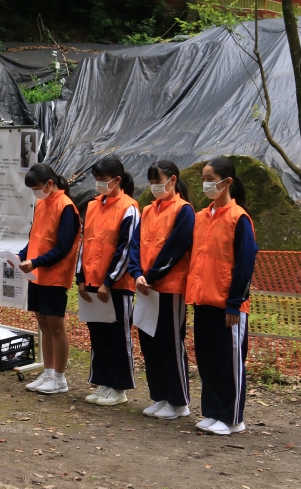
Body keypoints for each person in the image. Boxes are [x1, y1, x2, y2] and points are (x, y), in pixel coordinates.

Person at [188, 157, 258, 436]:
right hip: (203, 299)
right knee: (208, 358)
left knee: (229, 362)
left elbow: (244, 263)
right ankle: (213, 412)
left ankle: (232, 417)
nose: (205, 183)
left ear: (227, 181)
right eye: (203, 178)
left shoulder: (238, 217)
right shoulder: (201, 216)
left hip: (228, 305)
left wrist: (234, 303)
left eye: (210, 178)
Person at [76, 155, 140, 407]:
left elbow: (126, 249)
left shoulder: (129, 208)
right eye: (97, 179)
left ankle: (120, 387)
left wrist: (109, 281)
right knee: (98, 334)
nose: (99, 184)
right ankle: (103, 382)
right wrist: (81, 277)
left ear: (117, 180)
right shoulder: (92, 205)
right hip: (91, 282)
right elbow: (86, 242)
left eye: (103, 179)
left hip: (116, 286)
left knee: (118, 336)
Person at [134, 160, 195, 420]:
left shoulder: (184, 210)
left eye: (158, 181)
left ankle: (179, 401)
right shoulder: (148, 210)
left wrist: (153, 274)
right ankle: (160, 396)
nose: (155, 186)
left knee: (170, 343)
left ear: (173, 180)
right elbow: (136, 244)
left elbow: (176, 247)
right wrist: (136, 273)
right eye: (152, 182)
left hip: (170, 287)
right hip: (146, 287)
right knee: (149, 342)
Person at [17, 164, 80, 395]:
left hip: (54, 275)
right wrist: (21, 256)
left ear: (49, 183)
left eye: (37, 187)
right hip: (37, 275)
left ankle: (60, 378)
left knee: (56, 326)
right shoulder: (42, 203)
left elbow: (63, 247)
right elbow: (35, 238)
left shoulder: (66, 207)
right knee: (43, 324)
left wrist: (36, 261)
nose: (35, 192)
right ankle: (49, 372)